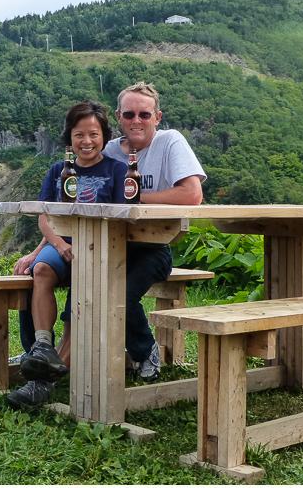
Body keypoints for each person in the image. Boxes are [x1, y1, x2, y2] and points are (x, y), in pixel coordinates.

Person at [6, 100, 127, 409]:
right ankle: (43, 345)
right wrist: (58, 245)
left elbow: (121, 217)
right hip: (62, 244)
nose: (86, 141)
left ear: (104, 136)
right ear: (69, 138)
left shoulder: (117, 170)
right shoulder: (59, 170)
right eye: (78, 135)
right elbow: (44, 215)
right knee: (42, 271)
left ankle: (43, 382)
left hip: (98, 248)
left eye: (93, 134)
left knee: (81, 299)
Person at [102, 81, 206, 381]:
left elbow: (191, 194)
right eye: (130, 114)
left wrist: (133, 199)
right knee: (77, 283)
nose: (137, 121)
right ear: (118, 116)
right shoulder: (109, 151)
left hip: (156, 249)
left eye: (144, 115)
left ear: (157, 118)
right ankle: (51, 351)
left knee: (118, 294)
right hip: (111, 246)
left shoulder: (170, 141)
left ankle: (145, 349)